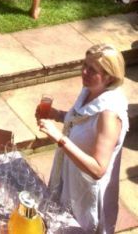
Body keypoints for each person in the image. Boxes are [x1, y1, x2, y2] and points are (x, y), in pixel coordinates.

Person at [38, 44, 128, 234]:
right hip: (70, 180)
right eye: (84, 65)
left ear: (109, 76)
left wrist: (60, 139)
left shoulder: (109, 114)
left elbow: (98, 169)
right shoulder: (89, 91)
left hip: (87, 195)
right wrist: (57, 114)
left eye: (92, 69)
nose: (84, 72)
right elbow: (81, 121)